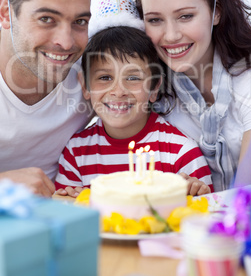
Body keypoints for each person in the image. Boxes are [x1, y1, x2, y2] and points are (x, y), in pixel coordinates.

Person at [132, 0, 251, 192]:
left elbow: (248, 194)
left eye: (185, 16)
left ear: (215, 12)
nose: (171, 35)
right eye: (155, 20)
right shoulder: (150, 92)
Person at [0, 0, 92, 196]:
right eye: (46, 19)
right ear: (4, 12)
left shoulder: (91, 78)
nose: (66, 43)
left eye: (79, 21)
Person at [55, 25, 213, 197]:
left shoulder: (181, 152)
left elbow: (206, 213)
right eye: (105, 77)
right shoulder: (76, 151)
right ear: (85, 86)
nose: (118, 91)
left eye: (133, 78)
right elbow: (64, 213)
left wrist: (197, 195)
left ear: (154, 88)